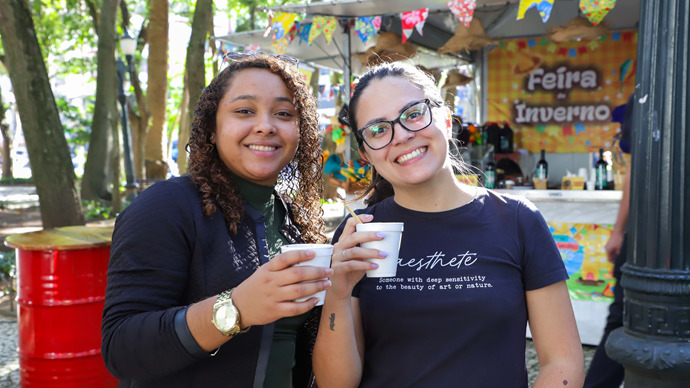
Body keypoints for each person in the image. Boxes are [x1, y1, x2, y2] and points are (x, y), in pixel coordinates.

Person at [312, 62, 584, 388]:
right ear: (366, 153)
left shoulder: (517, 220)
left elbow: (563, 363)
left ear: (445, 118)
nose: (401, 135)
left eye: (413, 113)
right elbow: (335, 384)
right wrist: (338, 295)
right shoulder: (360, 230)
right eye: (378, 130)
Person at [102, 53, 332, 388]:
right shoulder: (166, 207)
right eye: (244, 111)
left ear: (301, 133)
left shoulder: (294, 221)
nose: (266, 125)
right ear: (212, 128)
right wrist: (235, 309)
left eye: (284, 114)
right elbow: (121, 348)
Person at [583, 94, 634, 388]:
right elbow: (635, 169)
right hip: (646, 235)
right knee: (623, 317)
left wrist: (618, 230)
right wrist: (618, 230)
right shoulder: (644, 96)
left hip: (647, 235)